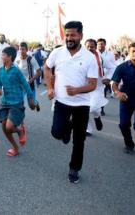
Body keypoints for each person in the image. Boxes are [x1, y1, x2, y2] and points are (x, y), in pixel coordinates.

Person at [44, 21, 98, 184]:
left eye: (73, 35)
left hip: (81, 105)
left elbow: (93, 84)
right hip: (61, 101)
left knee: (79, 140)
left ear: (81, 35)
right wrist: (50, 87)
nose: (69, 38)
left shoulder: (89, 58)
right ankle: (67, 129)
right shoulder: (57, 52)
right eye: (67, 35)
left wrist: (77, 90)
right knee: (56, 132)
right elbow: (47, 68)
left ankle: (74, 169)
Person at [0, 46, 36, 157]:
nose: (1, 56)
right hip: (5, 102)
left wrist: (32, 99)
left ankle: (20, 131)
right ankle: (15, 147)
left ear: (10, 57)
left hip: (16, 103)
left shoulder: (17, 71)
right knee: (4, 127)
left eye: (3, 55)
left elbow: (26, 85)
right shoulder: (0, 70)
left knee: (9, 126)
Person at [84, 39, 107, 136]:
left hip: (97, 88)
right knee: (84, 109)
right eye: (88, 46)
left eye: (92, 47)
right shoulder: (80, 57)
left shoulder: (100, 58)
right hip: (83, 87)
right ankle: (88, 129)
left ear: (95, 47)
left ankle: (97, 117)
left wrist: (108, 78)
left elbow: (113, 67)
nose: (90, 48)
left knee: (93, 108)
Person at [15, 42, 41, 111]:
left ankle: (36, 103)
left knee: (32, 106)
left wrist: (30, 80)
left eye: (23, 49)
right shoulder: (17, 60)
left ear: (27, 50)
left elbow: (39, 72)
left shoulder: (31, 59)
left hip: (30, 84)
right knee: (19, 103)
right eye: (20, 49)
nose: (21, 51)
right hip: (21, 85)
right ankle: (20, 119)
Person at [97, 38, 117, 113]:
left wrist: (108, 78)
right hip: (96, 77)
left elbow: (113, 66)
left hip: (106, 77)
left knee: (103, 93)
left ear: (105, 45)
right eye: (99, 44)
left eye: (102, 44)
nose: (100, 45)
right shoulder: (94, 53)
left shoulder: (110, 54)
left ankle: (101, 109)